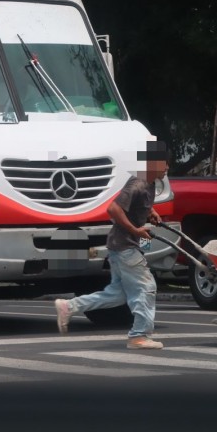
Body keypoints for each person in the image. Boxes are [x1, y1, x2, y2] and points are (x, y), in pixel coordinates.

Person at [54, 140, 170, 350]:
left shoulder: (150, 185)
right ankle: (138, 336)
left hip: (121, 246)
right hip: (125, 246)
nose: (167, 167)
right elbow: (113, 209)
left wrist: (150, 212)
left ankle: (68, 306)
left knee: (117, 294)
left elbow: (137, 206)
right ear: (151, 165)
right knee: (147, 287)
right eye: (164, 163)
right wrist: (135, 230)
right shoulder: (138, 183)